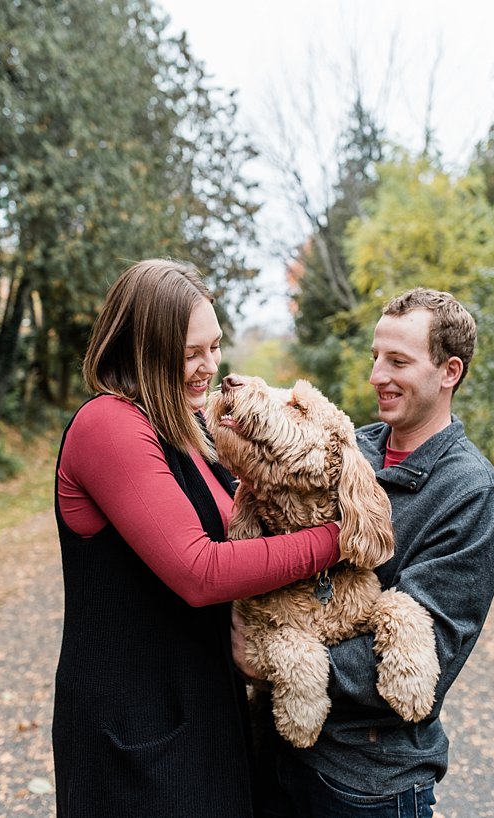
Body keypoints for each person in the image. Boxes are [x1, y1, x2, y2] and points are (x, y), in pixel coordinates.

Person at [52, 258, 345, 817]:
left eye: (214, 347)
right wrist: (335, 541)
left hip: (202, 706)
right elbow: (200, 571)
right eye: (191, 353)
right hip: (135, 727)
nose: (209, 366)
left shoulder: (192, 425)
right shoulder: (108, 426)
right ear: (142, 347)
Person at [244, 288, 494, 818]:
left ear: (449, 370)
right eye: (375, 358)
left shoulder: (472, 495)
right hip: (270, 756)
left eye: (398, 361)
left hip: (366, 782)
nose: (376, 376)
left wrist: (263, 661)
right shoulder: (348, 448)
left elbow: (430, 652)